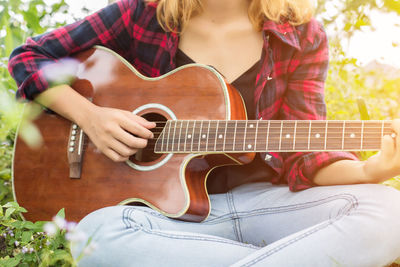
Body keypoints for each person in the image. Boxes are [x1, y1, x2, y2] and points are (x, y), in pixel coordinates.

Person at [8, 0, 400, 266]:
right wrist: (91, 116)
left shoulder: (301, 34)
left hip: (265, 206)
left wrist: (370, 172)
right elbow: (28, 58)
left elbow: (306, 155)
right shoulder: (142, 13)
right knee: (93, 235)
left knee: (391, 210)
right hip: (165, 220)